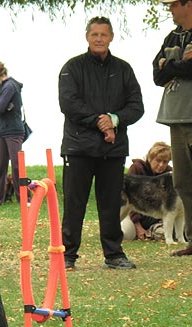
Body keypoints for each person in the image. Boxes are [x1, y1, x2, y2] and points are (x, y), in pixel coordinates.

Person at [59, 16, 144, 271]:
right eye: (94, 34)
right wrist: (100, 121)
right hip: (78, 148)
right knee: (75, 204)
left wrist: (115, 119)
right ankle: (67, 255)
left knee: (110, 205)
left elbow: (136, 106)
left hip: (113, 149)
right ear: (87, 36)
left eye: (103, 35)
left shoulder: (124, 69)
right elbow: (69, 104)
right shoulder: (72, 68)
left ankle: (114, 255)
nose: (99, 39)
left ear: (111, 37)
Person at [153, 0, 192, 257]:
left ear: (188, 4)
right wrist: (177, 62)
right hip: (176, 118)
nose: (169, 9)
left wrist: (169, 64)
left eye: (173, 4)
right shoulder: (172, 35)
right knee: (184, 182)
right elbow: (157, 76)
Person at [0, 60, 25, 207]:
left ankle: (24, 198)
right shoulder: (7, 86)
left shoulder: (9, 86)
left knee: (17, 166)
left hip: (13, 131)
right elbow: (2, 108)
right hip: (4, 130)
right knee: (1, 166)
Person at [121, 141, 173, 241]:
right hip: (132, 213)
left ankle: (154, 231)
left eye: (165, 162)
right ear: (150, 158)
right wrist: (138, 226)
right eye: (158, 160)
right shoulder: (137, 168)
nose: (161, 165)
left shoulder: (169, 175)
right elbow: (130, 199)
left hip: (155, 217)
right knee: (126, 234)